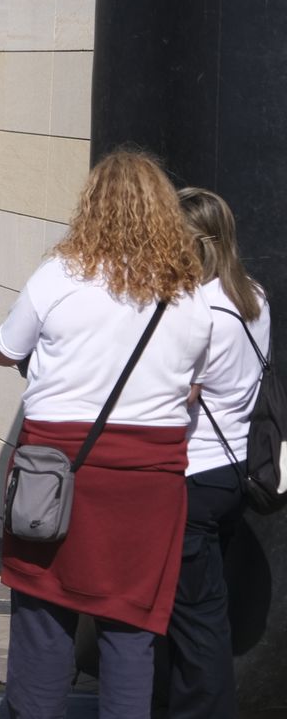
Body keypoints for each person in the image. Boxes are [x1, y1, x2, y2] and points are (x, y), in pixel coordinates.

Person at [0, 150, 210, 719]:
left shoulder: (58, 276)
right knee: (132, 626)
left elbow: (6, 349)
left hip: (57, 469)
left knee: (43, 614)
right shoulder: (188, 294)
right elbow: (193, 384)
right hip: (149, 481)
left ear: (90, 207)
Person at [165, 187, 270, 719]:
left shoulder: (197, 309)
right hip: (233, 472)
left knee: (196, 618)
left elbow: (180, 392)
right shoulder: (253, 296)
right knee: (204, 610)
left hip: (194, 475)